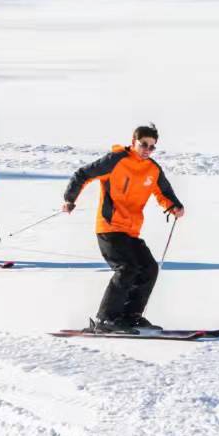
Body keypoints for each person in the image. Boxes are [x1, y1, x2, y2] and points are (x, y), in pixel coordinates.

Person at [61, 125, 183, 334]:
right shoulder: (116, 160)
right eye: (143, 144)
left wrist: (174, 206)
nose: (147, 149)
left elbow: (164, 191)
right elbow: (83, 174)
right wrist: (70, 199)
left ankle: (130, 316)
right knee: (126, 268)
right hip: (109, 227)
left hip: (130, 230)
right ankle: (106, 319)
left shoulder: (152, 169)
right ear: (133, 141)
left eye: (152, 147)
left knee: (148, 268)